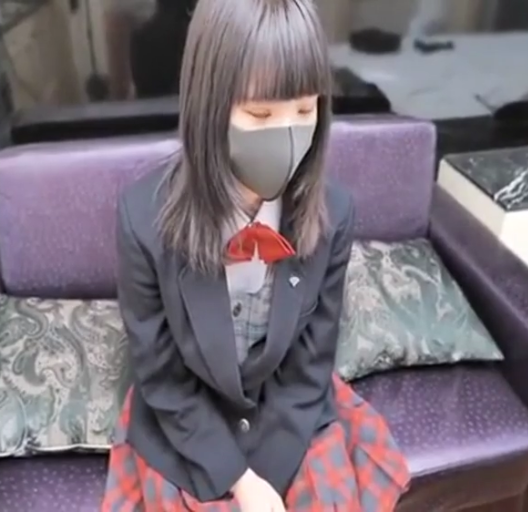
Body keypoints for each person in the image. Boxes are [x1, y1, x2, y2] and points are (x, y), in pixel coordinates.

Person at [102, 0, 410, 510]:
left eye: (305, 111)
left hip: (288, 409)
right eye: (260, 114)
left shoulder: (334, 212)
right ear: (209, 107)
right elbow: (161, 377)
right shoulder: (142, 218)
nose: (287, 135)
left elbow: (311, 361)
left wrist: (270, 478)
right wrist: (239, 480)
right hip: (188, 419)